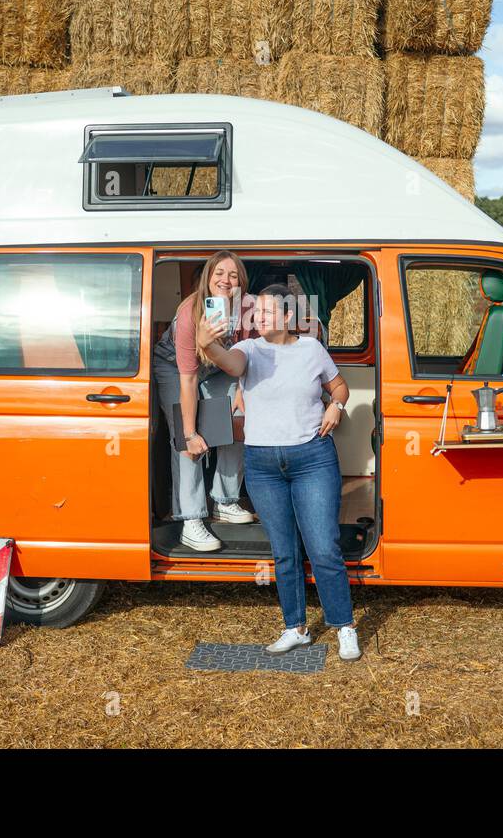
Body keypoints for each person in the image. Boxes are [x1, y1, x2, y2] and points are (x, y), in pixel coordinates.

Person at [196, 283, 361, 661]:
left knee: (323, 548)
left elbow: (339, 387)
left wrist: (335, 406)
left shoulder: (311, 349)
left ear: (288, 317)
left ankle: (344, 626)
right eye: (255, 314)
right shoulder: (248, 350)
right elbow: (230, 364)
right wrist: (208, 345)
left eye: (267, 313)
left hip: (313, 459)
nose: (258, 320)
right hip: (264, 464)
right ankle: (295, 627)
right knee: (284, 551)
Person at [152, 251, 255, 552]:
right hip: (175, 368)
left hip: (219, 366)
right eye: (219, 273)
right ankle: (191, 520)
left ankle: (225, 500)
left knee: (239, 418)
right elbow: (188, 379)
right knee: (186, 441)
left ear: (241, 282)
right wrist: (190, 433)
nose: (225, 280)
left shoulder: (247, 308)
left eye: (233, 275)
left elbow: (250, 354)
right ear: (208, 279)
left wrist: (242, 389)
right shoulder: (190, 313)